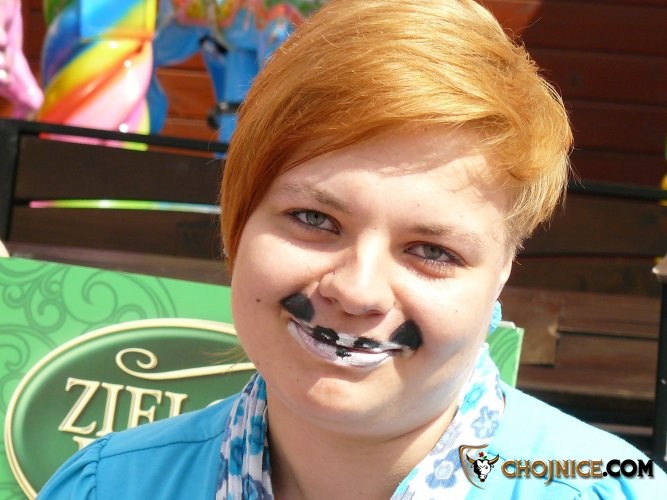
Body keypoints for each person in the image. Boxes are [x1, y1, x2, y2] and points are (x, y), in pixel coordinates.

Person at [39, 0, 665, 498]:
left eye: (432, 251)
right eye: (315, 219)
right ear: (239, 220)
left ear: (502, 271)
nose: (358, 290)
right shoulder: (105, 486)